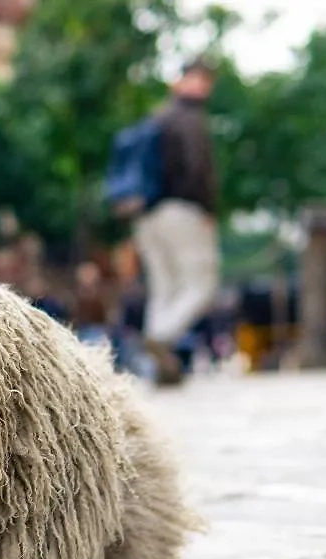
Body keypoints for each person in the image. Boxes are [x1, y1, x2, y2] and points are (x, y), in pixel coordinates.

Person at [117, 57, 221, 386]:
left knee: (164, 289)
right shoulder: (189, 119)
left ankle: (159, 359)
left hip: (145, 214)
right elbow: (197, 168)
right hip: (181, 210)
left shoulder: (157, 118)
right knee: (200, 285)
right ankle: (161, 338)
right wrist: (207, 209)